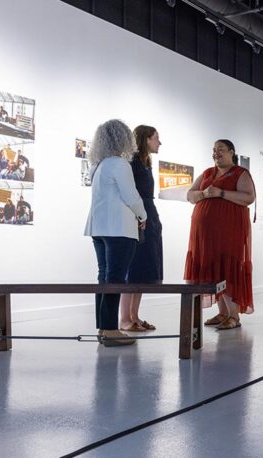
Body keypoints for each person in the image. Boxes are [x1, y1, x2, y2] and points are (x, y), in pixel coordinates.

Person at [84, 119, 147, 347]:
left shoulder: (98, 165)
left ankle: (103, 327)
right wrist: (143, 216)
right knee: (115, 278)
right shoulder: (120, 164)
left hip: (98, 228)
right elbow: (131, 197)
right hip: (119, 229)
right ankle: (111, 330)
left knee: (104, 276)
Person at [185, 139, 256, 330]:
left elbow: (249, 197)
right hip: (204, 235)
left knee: (227, 268)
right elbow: (190, 195)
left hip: (229, 231)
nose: (216, 153)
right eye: (214, 150)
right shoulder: (208, 172)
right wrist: (204, 195)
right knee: (213, 269)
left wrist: (221, 193)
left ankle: (233, 315)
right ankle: (223, 312)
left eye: (221, 150)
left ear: (232, 152)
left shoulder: (240, 173)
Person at [120, 125, 164, 332]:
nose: (159, 142)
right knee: (133, 268)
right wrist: (139, 216)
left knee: (142, 269)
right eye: (156, 138)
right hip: (138, 217)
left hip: (148, 215)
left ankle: (134, 317)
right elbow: (130, 193)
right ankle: (125, 319)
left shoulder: (145, 163)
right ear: (146, 139)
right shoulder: (133, 163)